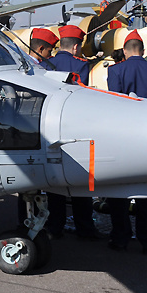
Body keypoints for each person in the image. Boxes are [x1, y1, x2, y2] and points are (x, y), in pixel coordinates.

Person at [106, 29, 147, 254]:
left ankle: (120, 238)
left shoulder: (115, 71)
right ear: (143, 51)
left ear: (124, 51)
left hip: (123, 139)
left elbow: (113, 106)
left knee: (119, 191)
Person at [44, 25, 105, 240]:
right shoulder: (81, 66)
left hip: (50, 130)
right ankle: (85, 228)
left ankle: (55, 226)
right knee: (80, 180)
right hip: (75, 128)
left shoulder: (44, 64)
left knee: (55, 182)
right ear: (76, 47)